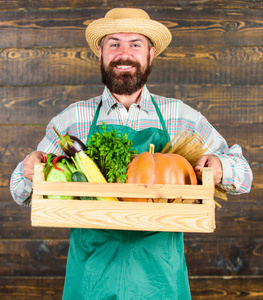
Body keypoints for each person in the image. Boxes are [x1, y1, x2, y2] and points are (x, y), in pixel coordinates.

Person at [10, 7, 253, 300]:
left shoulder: (182, 118)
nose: (124, 54)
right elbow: (18, 190)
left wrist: (220, 167)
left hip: (160, 280)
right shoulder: (72, 120)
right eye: (114, 43)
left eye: (135, 44)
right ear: (100, 52)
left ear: (150, 53)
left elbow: (244, 175)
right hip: (91, 278)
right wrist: (29, 170)